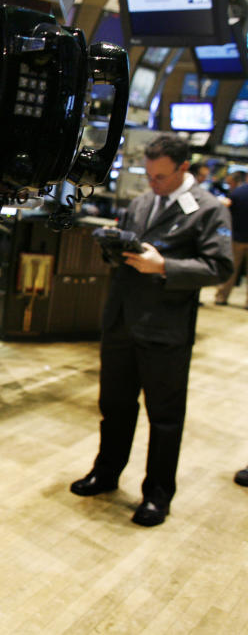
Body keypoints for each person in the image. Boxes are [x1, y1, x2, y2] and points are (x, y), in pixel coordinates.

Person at [70, 135, 233, 527]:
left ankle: (158, 495)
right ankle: (106, 472)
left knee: (164, 418)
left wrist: (164, 267)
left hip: (166, 330)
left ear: (183, 169)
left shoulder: (209, 209)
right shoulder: (143, 201)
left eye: (160, 176)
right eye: (149, 174)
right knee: (115, 407)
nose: (153, 183)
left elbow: (220, 267)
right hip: (123, 321)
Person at [214, 173, 248, 305]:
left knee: (230, 270)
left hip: (236, 238)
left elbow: (225, 212)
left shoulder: (238, 192)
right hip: (238, 236)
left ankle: (221, 297)